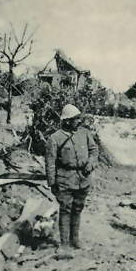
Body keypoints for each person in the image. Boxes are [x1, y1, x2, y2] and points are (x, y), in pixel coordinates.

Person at [45, 104, 98, 252]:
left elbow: (94, 150)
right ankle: (64, 244)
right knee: (65, 210)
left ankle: (75, 240)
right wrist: (52, 184)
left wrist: (91, 163)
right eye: (75, 119)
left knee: (77, 209)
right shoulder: (55, 138)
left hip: (83, 179)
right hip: (65, 179)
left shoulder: (85, 133)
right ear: (67, 121)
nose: (79, 121)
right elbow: (50, 163)